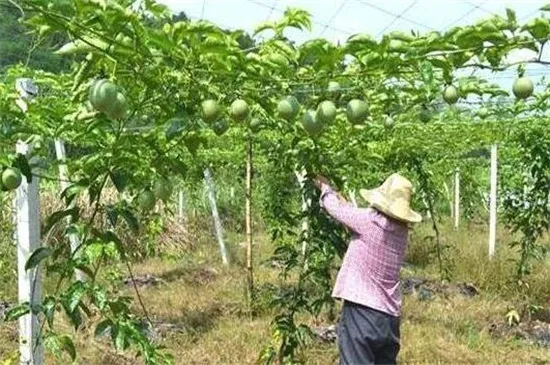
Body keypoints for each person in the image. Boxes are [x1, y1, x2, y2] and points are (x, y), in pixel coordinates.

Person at [313, 173, 422, 365]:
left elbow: (335, 209)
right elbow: (356, 219)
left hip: (362, 313)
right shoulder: (402, 232)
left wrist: (325, 188)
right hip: (389, 319)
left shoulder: (369, 221)